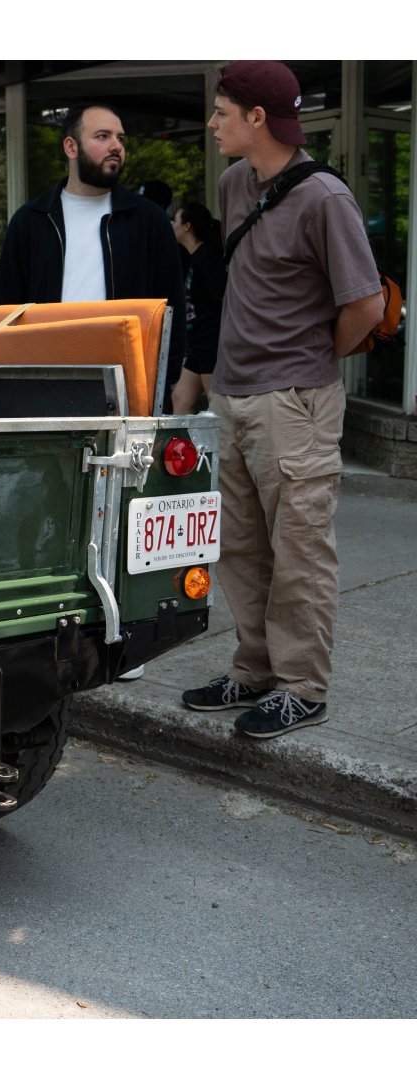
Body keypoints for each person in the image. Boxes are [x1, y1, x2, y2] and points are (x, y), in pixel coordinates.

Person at [180, 61, 384, 739]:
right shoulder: (235, 183)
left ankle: (303, 684)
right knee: (239, 546)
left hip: (294, 400)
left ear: (256, 119)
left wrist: (314, 357)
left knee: (299, 548)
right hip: (233, 394)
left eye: (221, 112)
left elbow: (365, 304)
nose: (212, 125)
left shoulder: (325, 198)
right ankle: (255, 668)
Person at [0, 102, 187, 403]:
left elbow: (170, 306)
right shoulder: (31, 220)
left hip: (128, 384)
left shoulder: (148, 221)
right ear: (71, 147)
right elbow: (6, 309)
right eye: (102, 136)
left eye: (120, 138)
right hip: (44, 383)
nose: (116, 146)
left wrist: (162, 382)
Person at [169, 202, 227, 414]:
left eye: (175, 220)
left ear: (187, 226)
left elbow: (224, 299)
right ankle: (182, 448)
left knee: (218, 406)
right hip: (198, 344)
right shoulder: (194, 257)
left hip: (211, 343)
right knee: (180, 398)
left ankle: (223, 447)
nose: (172, 224)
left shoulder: (208, 257)